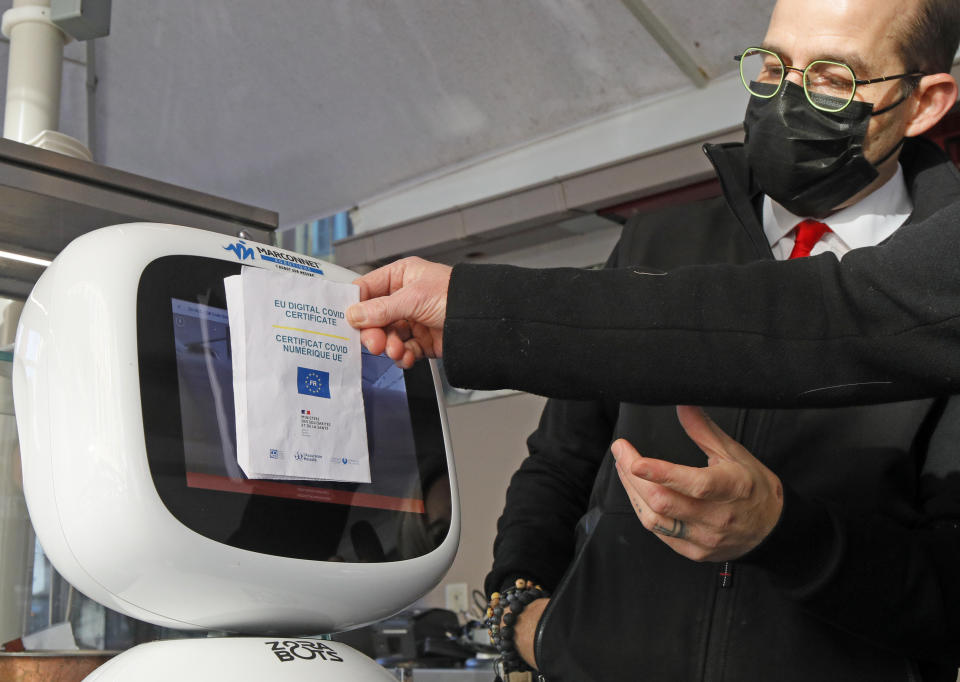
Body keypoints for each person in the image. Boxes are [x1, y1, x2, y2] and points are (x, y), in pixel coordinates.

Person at [347, 0, 960, 679]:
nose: (786, 99)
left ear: (925, 101)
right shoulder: (658, 244)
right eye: (772, 66)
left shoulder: (939, 299)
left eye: (832, 78)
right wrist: (525, 615)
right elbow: (561, 458)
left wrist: (787, 536)